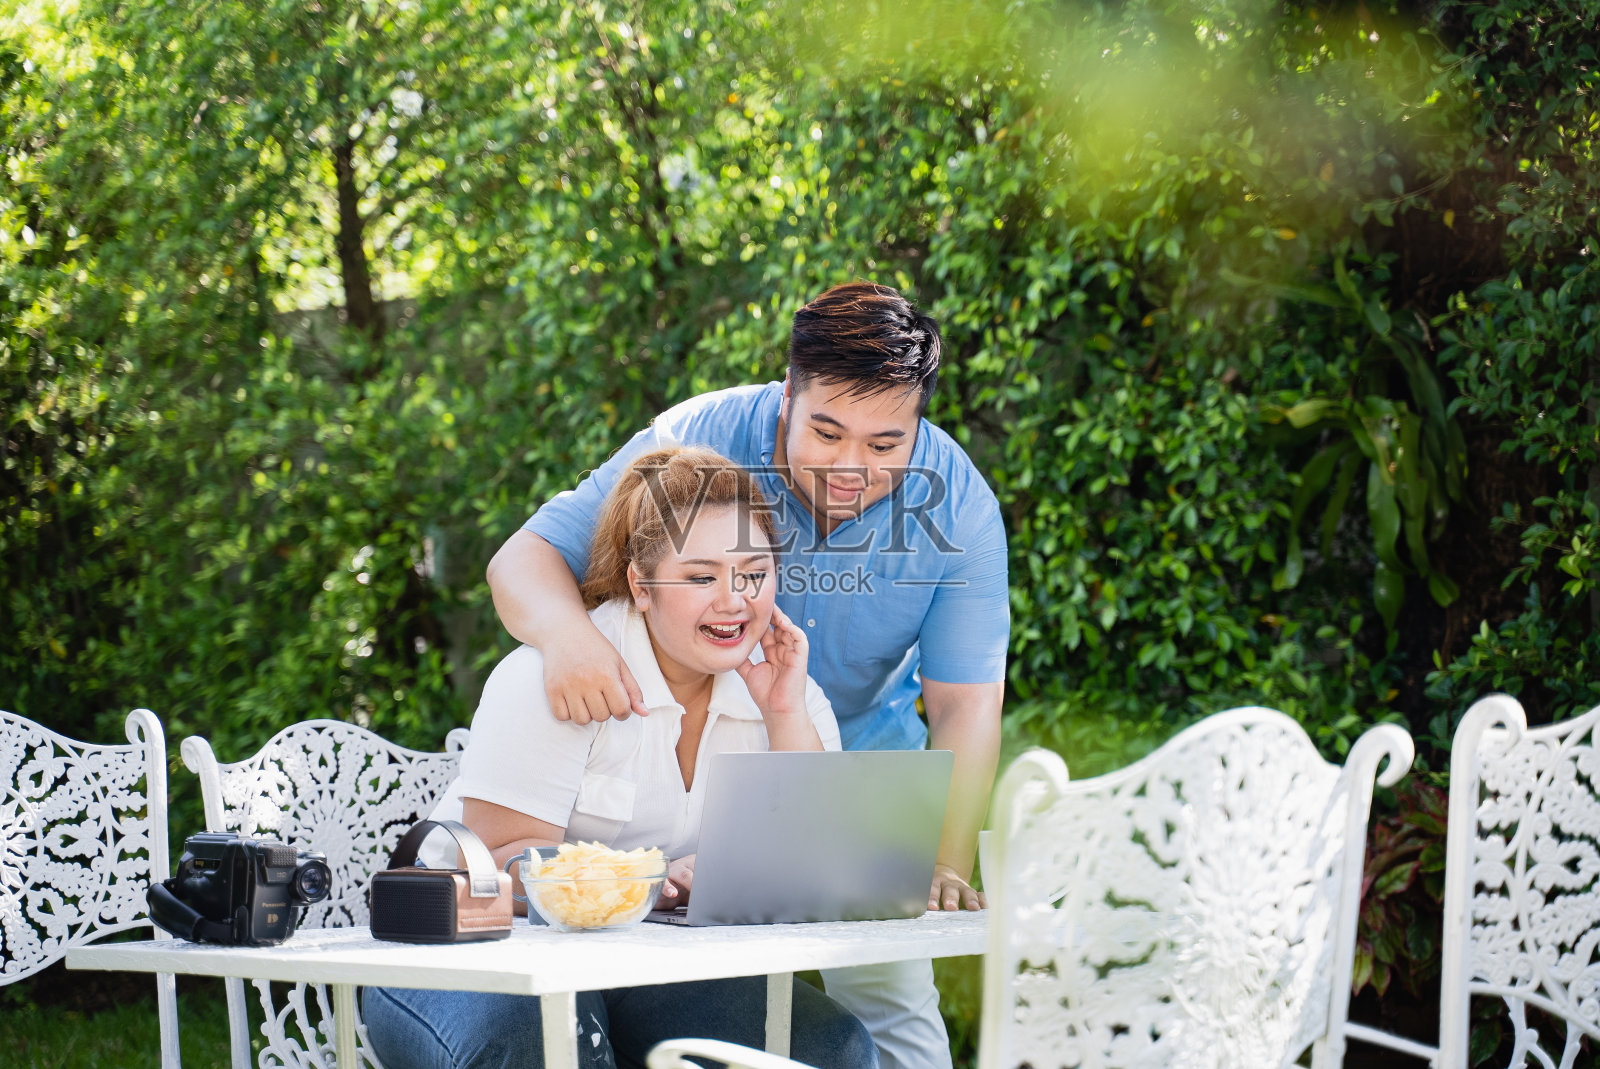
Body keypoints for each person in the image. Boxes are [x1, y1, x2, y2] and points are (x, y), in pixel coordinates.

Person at [486, 282, 1009, 1069]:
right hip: (691, 759)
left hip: (853, 770)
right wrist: (569, 640)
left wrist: (944, 858)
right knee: (690, 979)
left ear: (919, 425)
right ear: (785, 397)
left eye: (884, 444)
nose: (850, 467)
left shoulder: (957, 505)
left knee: (893, 1004)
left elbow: (966, 702)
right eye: (826, 431)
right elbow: (523, 556)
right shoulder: (703, 440)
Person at [364, 447, 877, 1069]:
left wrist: (785, 713)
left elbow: (827, 863)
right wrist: (649, 883)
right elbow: (497, 865)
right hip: (459, 952)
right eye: (700, 577)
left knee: (833, 1048)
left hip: (640, 966)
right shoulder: (553, 676)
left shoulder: (785, 686)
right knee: (551, 1043)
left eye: (753, 572)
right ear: (641, 584)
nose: (734, 600)